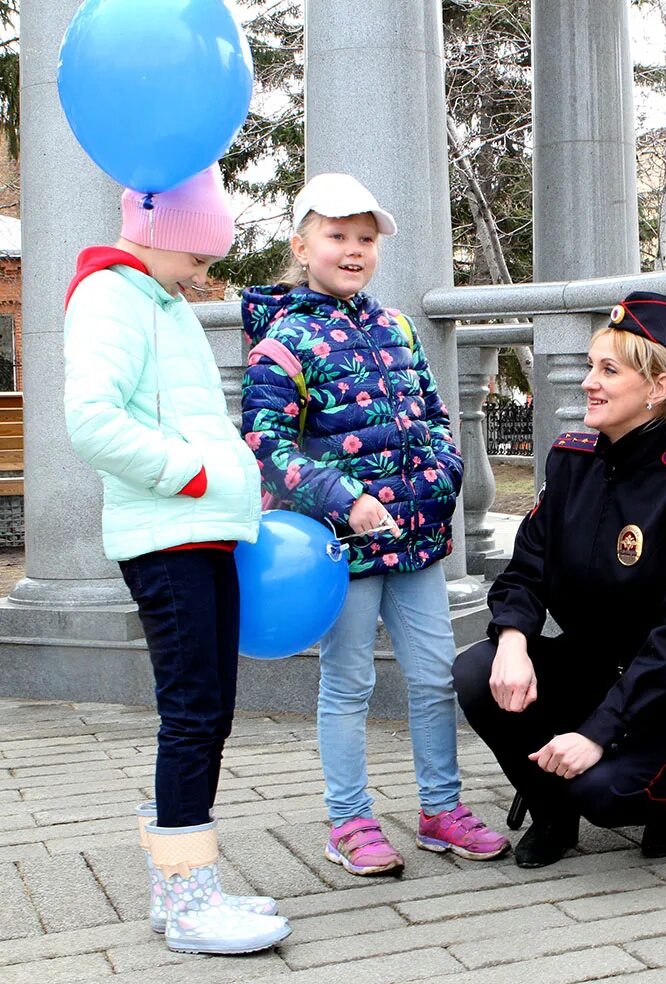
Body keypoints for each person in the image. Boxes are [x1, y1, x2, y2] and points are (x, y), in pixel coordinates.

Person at [241, 172, 509, 877]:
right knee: (350, 683)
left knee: (432, 678)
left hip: (417, 544)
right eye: (337, 236)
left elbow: (433, 414)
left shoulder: (395, 327)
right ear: (302, 246)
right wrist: (347, 501)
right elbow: (268, 445)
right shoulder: (284, 342)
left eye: (365, 238)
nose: (353, 249)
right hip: (341, 546)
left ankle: (440, 810)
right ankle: (349, 820)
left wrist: (445, 473)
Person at [63, 165, 291, 955]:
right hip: (168, 537)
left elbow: (189, 416)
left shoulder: (156, 301)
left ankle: (180, 884)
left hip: (198, 531)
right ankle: (191, 903)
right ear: (165, 235)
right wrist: (191, 476)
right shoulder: (112, 298)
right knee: (194, 716)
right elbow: (91, 420)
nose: (206, 274)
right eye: (199, 257)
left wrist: (231, 482)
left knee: (207, 712)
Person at [454, 291, 666, 868]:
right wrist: (511, 640)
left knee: (605, 794)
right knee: (476, 670)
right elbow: (526, 571)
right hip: (591, 666)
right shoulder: (571, 460)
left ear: (659, 388)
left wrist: (598, 732)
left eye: (608, 369)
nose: (589, 381)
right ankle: (551, 814)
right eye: (590, 365)